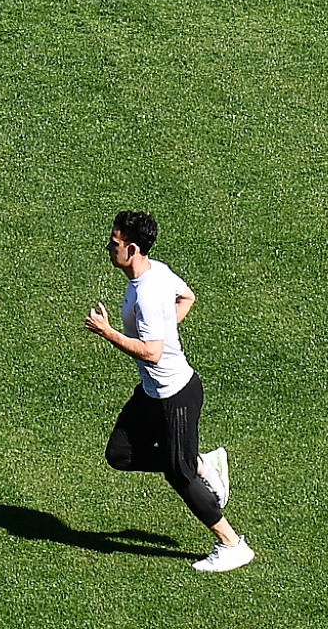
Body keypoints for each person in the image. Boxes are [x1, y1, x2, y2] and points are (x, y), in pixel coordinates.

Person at [85, 210, 254, 573]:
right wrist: (164, 329)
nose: (109, 248)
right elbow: (187, 297)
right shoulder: (157, 271)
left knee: (179, 475)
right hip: (152, 393)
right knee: (120, 454)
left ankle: (232, 544)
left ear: (132, 249)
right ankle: (200, 463)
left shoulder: (146, 294)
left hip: (174, 396)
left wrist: (108, 332)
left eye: (114, 243)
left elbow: (152, 352)